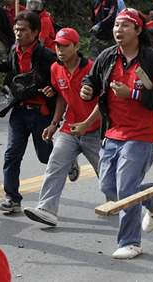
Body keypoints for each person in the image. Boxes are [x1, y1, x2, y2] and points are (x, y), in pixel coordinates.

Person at [80, 8, 153, 259]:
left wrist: (132, 93)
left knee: (125, 190)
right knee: (109, 187)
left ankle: (131, 242)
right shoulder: (107, 56)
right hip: (112, 133)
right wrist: (87, 89)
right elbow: (91, 79)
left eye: (124, 26)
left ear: (138, 30)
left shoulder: (152, 60)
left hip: (141, 133)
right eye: (116, 26)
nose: (118, 30)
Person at [22, 28, 101, 227]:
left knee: (108, 178)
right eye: (57, 45)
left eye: (65, 45)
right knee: (55, 165)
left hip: (95, 131)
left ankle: (130, 203)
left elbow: (105, 102)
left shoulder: (93, 68)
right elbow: (60, 96)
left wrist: (86, 124)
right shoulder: (55, 69)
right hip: (69, 129)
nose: (60, 49)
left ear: (76, 46)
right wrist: (54, 124)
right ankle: (46, 210)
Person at [0, 11, 56, 213]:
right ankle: (12, 198)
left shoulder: (47, 56)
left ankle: (65, 158)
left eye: (23, 30)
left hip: (41, 113)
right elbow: (10, 68)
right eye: (16, 29)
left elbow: (61, 77)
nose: (18, 33)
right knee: (11, 155)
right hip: (20, 111)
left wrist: (53, 89)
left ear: (35, 32)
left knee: (44, 156)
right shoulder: (15, 50)